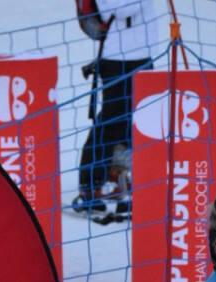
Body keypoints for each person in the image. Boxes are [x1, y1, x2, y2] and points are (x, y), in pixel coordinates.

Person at [72, 0, 158, 217]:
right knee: (111, 122)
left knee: (135, 123)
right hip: (117, 57)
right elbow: (121, 8)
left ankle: (119, 178)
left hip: (142, 54)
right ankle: (91, 185)